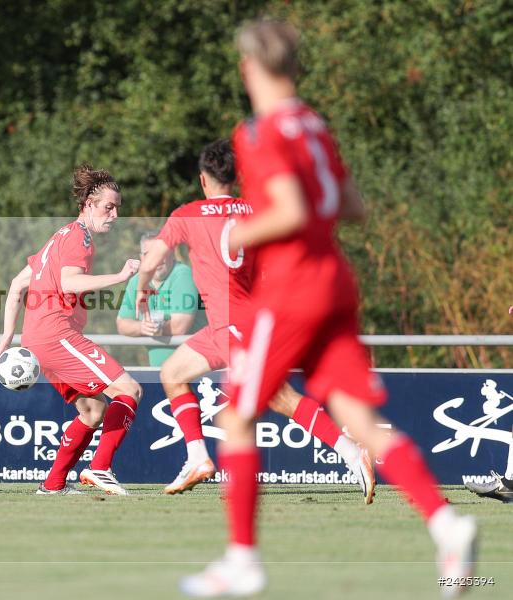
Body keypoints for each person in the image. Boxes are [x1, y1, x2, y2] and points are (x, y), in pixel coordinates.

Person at [179, 21, 477, 597]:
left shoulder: (260, 131)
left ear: (249, 69)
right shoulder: (315, 124)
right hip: (336, 281)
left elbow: (288, 210)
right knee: (360, 422)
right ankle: (448, 524)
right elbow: (353, 206)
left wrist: (239, 237)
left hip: (291, 288)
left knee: (238, 416)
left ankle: (242, 561)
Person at [137, 140, 374, 498]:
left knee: (279, 398)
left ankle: (351, 452)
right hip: (226, 325)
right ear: (235, 177)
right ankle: (198, 457)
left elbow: (152, 259)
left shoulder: (187, 214)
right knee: (172, 373)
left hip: (237, 324)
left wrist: (142, 289)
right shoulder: (256, 210)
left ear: (203, 180)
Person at [0, 164, 142, 496]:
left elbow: (17, 286)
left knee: (93, 410)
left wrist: (7, 338)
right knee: (129, 390)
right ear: (88, 203)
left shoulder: (59, 236)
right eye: (109, 207)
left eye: (118, 207)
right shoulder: (80, 237)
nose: (115, 214)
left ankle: (53, 484)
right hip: (57, 335)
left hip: (37, 338)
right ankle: (100, 469)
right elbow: (69, 283)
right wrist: (120, 277)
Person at [116, 230, 205, 366]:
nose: (155, 259)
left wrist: (154, 329)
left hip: (196, 372)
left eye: (160, 253)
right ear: (141, 257)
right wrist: (142, 327)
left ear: (172, 253)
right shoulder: (136, 281)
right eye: (148, 254)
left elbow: (180, 327)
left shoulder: (183, 275)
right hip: (160, 372)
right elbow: (122, 324)